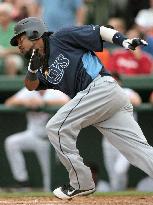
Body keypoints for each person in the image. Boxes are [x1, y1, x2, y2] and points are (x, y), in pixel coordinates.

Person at [10, 16, 153, 200]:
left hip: (100, 88)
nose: (18, 45)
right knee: (139, 151)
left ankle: (81, 183)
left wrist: (123, 40)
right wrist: (31, 71)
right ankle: (82, 182)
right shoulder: (41, 64)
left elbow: (100, 31)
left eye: (20, 39)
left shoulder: (61, 37)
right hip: (101, 100)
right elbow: (31, 86)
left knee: (56, 127)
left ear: (33, 33)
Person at [4, 87, 69, 192]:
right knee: (11, 142)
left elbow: (67, 102)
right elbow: (9, 102)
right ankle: (22, 182)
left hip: (51, 142)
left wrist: (43, 102)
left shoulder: (54, 91)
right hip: (33, 135)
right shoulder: (28, 91)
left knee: (49, 181)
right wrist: (25, 102)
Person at [102, 72, 142, 191]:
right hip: (109, 140)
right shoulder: (102, 95)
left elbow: (137, 101)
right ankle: (119, 198)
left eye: (114, 81)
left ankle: (121, 193)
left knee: (119, 170)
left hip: (126, 140)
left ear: (119, 82)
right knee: (113, 174)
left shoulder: (127, 92)